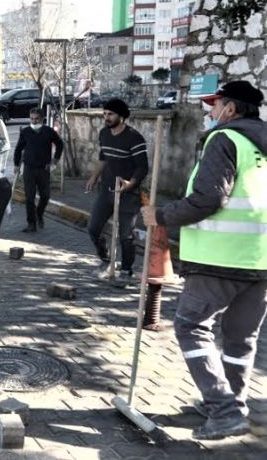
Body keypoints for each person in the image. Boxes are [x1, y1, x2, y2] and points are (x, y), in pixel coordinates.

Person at [141, 80, 266, 440]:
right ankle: (231, 402)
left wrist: (160, 215)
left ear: (231, 108)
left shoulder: (225, 139)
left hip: (220, 258)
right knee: (242, 338)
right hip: (261, 260)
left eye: (215, 106)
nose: (210, 113)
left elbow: (209, 198)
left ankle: (223, 409)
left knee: (191, 326)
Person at [85, 98, 148, 282]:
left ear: (122, 116)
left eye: (110, 114)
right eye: (104, 114)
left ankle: (126, 270)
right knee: (93, 228)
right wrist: (94, 177)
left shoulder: (134, 138)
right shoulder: (104, 133)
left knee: (125, 235)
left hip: (128, 194)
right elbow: (103, 158)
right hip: (106, 190)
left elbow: (143, 167)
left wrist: (131, 183)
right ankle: (106, 259)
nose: (106, 117)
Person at [14, 107, 63, 233]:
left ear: (42, 119)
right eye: (31, 119)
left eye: (36, 119)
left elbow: (60, 144)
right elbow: (18, 149)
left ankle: (39, 214)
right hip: (29, 169)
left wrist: (56, 159)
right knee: (29, 198)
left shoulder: (49, 131)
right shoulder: (25, 132)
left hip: (43, 169)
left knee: (45, 196)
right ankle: (31, 223)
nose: (34, 121)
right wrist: (16, 165)